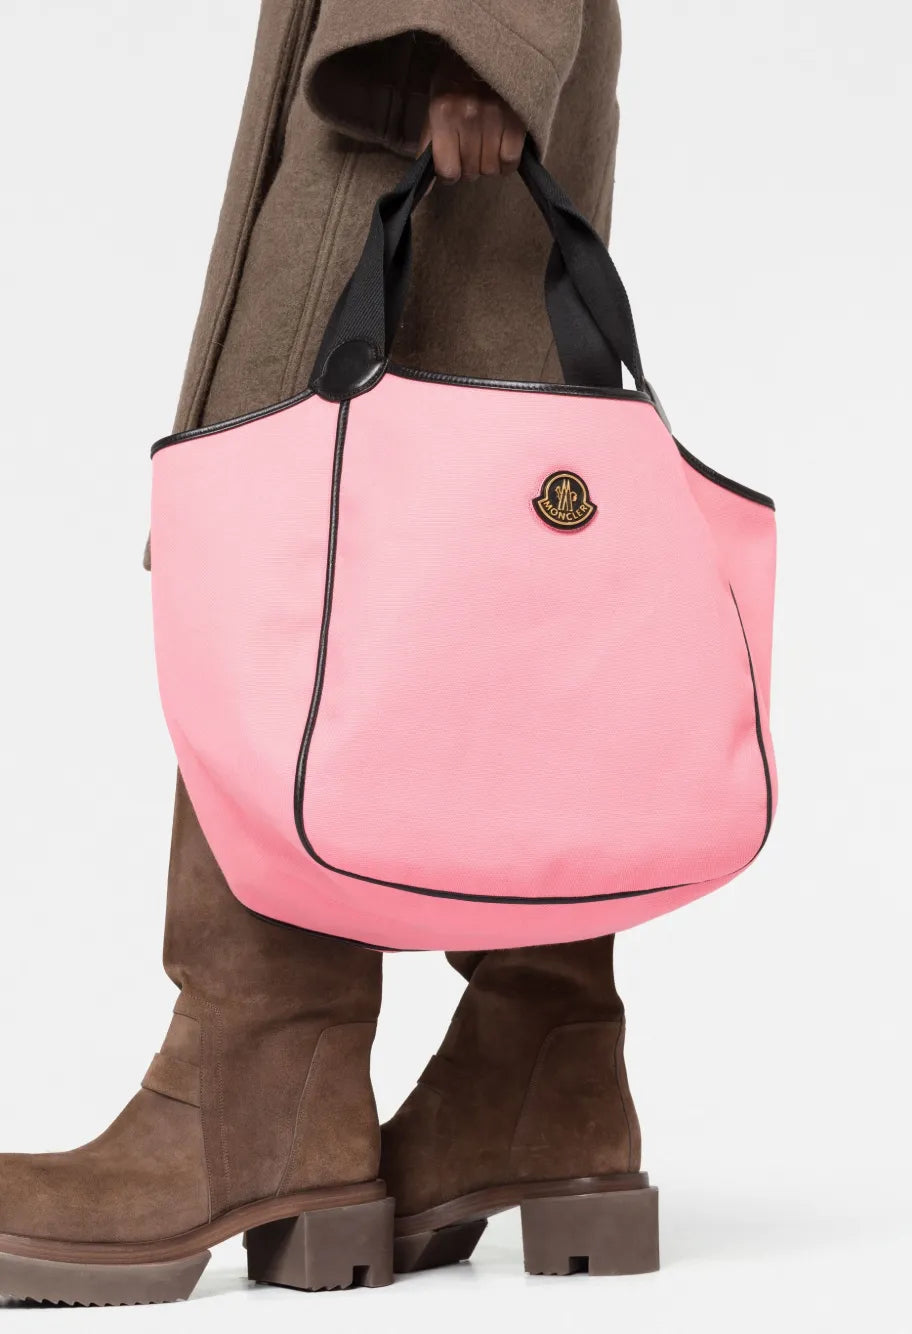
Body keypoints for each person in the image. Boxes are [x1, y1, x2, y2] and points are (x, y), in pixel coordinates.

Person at [0, 0, 655, 1306]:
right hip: (406, 80)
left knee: (302, 553)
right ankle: (539, 1064)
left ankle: (258, 1079)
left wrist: (463, 37)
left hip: (420, 73)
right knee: (483, 571)